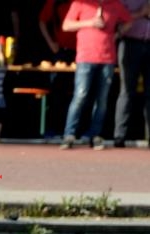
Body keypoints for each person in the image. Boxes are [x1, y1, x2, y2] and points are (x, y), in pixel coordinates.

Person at [60, 0, 132, 150]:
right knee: (80, 95)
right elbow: (66, 25)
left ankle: (95, 135)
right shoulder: (81, 3)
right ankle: (69, 134)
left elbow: (129, 21)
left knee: (102, 100)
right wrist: (90, 23)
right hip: (85, 57)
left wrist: (117, 34)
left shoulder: (115, 5)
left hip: (107, 58)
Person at [113, 0, 150, 147]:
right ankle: (119, 136)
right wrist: (141, 13)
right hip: (130, 43)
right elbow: (116, 19)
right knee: (127, 91)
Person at [39, 0, 77, 138]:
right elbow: (42, 21)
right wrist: (51, 43)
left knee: (78, 93)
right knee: (56, 91)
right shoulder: (54, 2)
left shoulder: (83, 2)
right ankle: (52, 129)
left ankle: (73, 130)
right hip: (61, 51)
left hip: (81, 52)